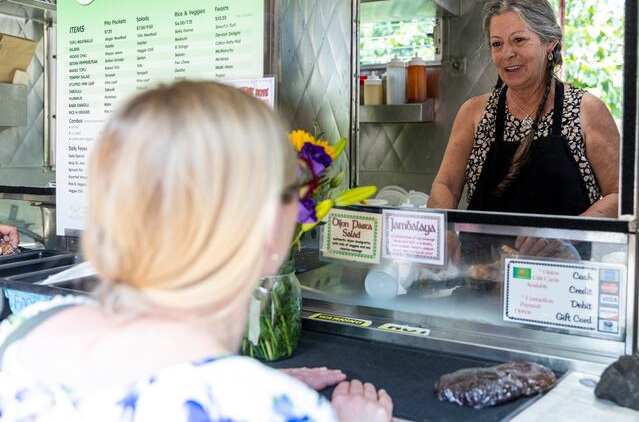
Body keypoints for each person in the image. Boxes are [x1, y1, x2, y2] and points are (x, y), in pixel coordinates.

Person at [0, 82, 393, 421]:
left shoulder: (25, 330)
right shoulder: (271, 408)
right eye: (295, 183)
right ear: (268, 222)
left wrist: (243, 382)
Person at [428, 0, 620, 219]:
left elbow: (620, 195)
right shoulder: (474, 113)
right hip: (483, 244)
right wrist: (443, 230)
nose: (507, 53)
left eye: (519, 40)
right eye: (497, 44)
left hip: (567, 244)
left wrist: (564, 235)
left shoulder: (585, 110)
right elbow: (446, 186)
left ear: (550, 42)